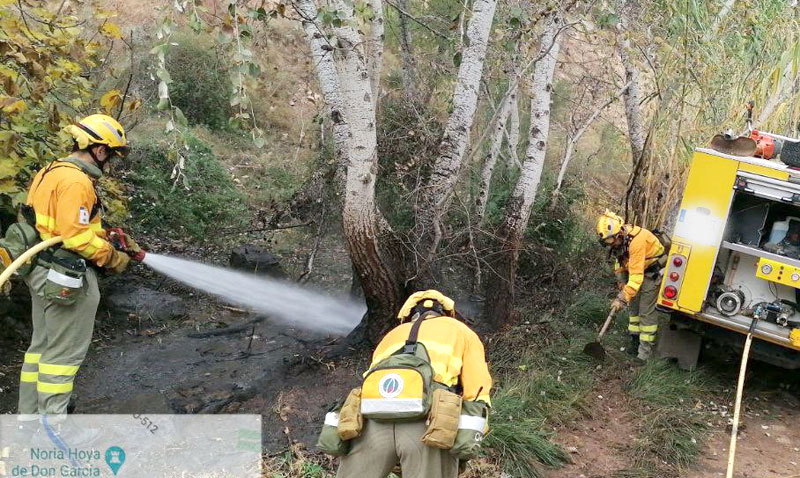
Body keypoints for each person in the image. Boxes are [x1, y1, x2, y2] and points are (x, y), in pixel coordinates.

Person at [18, 114, 145, 419]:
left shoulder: (51, 171)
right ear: (99, 150)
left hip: (40, 270)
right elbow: (76, 239)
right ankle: (53, 429)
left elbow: (60, 227)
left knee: (41, 349)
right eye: (111, 155)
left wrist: (107, 236)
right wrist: (113, 257)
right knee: (62, 358)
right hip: (67, 279)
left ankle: (28, 420)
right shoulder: (77, 182)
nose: (109, 163)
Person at [336, 290, 492, 478]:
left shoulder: (390, 336)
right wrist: (473, 435)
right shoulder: (461, 331)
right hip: (429, 426)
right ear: (446, 312)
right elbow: (477, 390)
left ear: (408, 314)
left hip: (373, 422)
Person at [596, 210, 666, 361]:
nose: (611, 245)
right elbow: (619, 261)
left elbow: (636, 279)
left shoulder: (637, 242)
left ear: (619, 233)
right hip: (636, 271)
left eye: (612, 241)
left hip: (651, 274)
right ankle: (634, 343)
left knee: (645, 312)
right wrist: (621, 280)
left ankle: (644, 354)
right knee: (633, 308)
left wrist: (621, 299)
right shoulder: (618, 241)